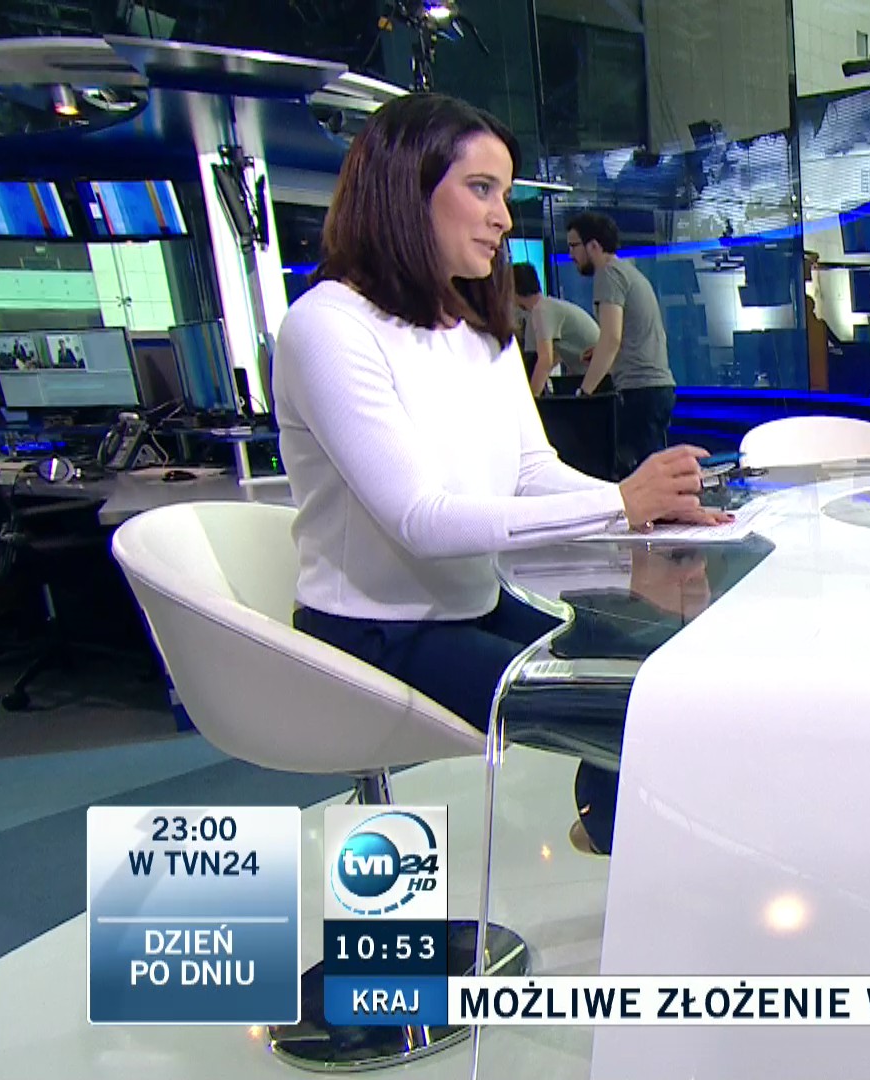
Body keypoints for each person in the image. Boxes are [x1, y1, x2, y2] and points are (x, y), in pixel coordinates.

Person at [272, 93, 729, 858]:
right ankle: (633, 850)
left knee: (664, 663)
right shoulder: (327, 325)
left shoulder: (474, 326)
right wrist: (620, 502)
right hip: (378, 630)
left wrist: (646, 507)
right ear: (406, 188)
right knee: (636, 712)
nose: (502, 217)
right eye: (481, 189)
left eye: (504, 193)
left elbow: (529, 469)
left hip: (474, 604)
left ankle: (614, 833)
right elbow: (420, 519)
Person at [565, 211, 676, 478]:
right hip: (656, 389)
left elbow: (611, 338)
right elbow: (624, 335)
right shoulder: (628, 272)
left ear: (593, 245)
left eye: (573, 246)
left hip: (639, 390)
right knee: (653, 473)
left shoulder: (608, 274)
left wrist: (585, 393)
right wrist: (599, 352)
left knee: (640, 478)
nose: (570, 255)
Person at [512, 263, 600, 398]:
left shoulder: (541, 311)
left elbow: (545, 360)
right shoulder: (547, 306)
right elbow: (555, 356)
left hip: (598, 379)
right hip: (592, 376)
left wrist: (531, 398)